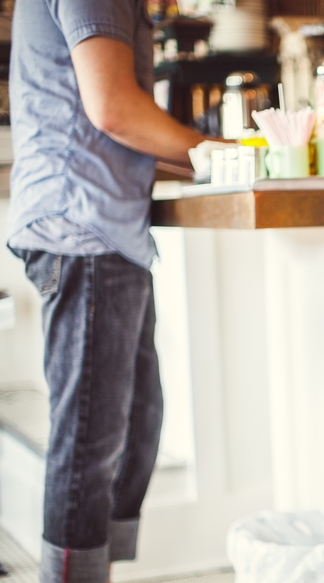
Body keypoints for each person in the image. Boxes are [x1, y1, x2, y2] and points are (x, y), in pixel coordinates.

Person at [7, 1, 207, 581]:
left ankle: (93, 573)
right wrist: (214, 152)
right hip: (81, 228)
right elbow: (114, 109)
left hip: (102, 231)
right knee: (90, 445)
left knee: (136, 423)